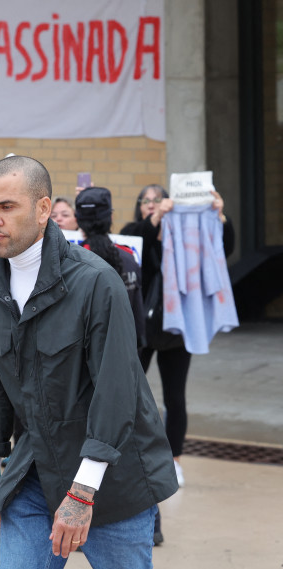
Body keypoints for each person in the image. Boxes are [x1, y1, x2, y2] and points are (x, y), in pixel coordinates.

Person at [0, 156, 178, 568]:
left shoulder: (96, 282)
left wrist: (83, 492)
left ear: (44, 209)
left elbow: (117, 393)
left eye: (7, 207)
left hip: (112, 478)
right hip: (33, 470)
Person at [120, 183, 233, 543]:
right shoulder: (134, 233)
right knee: (132, 393)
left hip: (177, 327)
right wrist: (156, 221)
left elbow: (222, 248)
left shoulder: (186, 232)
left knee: (175, 397)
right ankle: (131, 453)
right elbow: (133, 241)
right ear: (139, 207)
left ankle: (175, 461)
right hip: (143, 328)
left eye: (158, 200)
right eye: (146, 202)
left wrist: (219, 216)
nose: (151, 205)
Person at [75, 187, 144, 345]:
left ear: (78, 220)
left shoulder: (69, 262)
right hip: (124, 350)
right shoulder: (129, 258)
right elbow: (138, 320)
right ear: (111, 217)